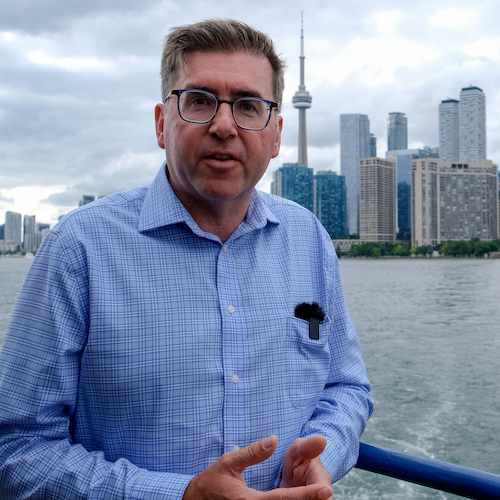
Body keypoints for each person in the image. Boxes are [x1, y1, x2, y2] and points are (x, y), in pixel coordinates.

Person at [0, 19, 373, 500]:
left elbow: (346, 387)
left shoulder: (309, 240)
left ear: (276, 134)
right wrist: (179, 496)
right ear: (161, 123)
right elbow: (18, 449)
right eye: (199, 101)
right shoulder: (80, 248)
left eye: (248, 105)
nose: (223, 125)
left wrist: (321, 454)